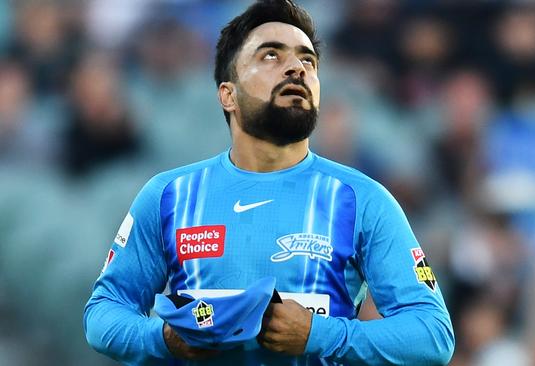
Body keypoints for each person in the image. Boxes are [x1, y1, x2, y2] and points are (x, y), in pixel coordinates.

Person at [83, 0, 454, 364]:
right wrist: (163, 338)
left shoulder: (363, 200)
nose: (296, 68)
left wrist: (319, 335)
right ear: (228, 94)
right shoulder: (169, 196)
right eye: (271, 56)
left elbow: (432, 334)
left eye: (307, 60)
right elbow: (102, 313)